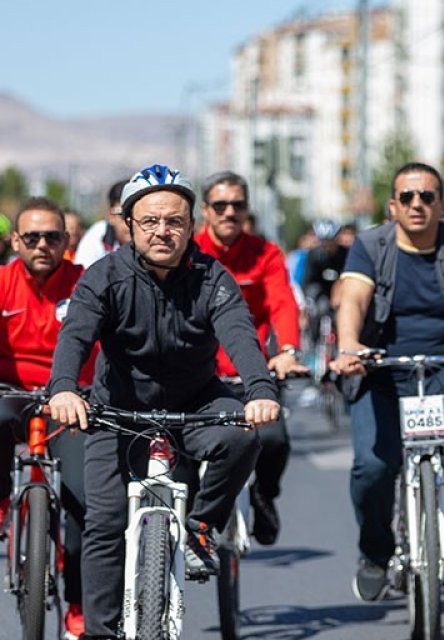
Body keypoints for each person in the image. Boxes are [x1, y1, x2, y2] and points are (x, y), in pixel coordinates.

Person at [46, 164, 281, 640]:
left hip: (195, 401)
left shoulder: (212, 276)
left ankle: (201, 526)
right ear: (128, 224)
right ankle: (98, 632)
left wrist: (260, 390)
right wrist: (64, 388)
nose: (162, 231)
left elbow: (239, 333)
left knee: (245, 438)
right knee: (105, 525)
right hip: (117, 410)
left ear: (191, 225)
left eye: (174, 221)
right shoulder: (104, 275)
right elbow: (75, 335)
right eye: (150, 221)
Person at [329, 162, 444, 602]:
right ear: (393, 205)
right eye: (407, 197)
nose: (417, 204)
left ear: (441, 205)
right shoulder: (372, 244)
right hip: (380, 366)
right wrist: (350, 345)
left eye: (427, 196)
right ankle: (374, 552)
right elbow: (353, 296)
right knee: (372, 468)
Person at [193, 171, 308, 546]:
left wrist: (287, 352)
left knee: (274, 441)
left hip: (252, 372)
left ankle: (263, 495)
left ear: (247, 210)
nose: (229, 212)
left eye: (237, 205)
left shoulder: (265, 253)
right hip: (199, 375)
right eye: (220, 205)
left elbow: (282, 302)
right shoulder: (189, 251)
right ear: (205, 211)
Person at [0, 197, 95, 638]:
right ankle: (3, 497)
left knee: (84, 502)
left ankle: (77, 605)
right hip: (10, 394)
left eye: (52, 237)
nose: (42, 245)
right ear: (15, 240)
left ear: (67, 240)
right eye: (32, 237)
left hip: (72, 400)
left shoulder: (89, 284)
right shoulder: (1, 282)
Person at [74, 180, 130, 268]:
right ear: (110, 216)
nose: (129, 221)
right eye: (123, 215)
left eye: (136, 214)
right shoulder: (95, 238)